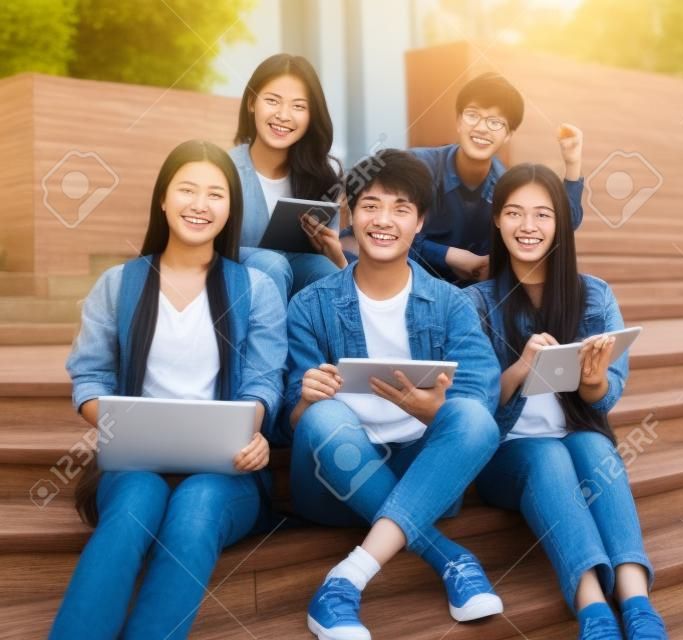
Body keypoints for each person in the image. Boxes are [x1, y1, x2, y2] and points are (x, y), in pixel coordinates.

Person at [51, 140, 288, 639]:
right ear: (163, 199)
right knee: (136, 498)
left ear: (230, 208)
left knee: (197, 506)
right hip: (134, 463)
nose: (200, 205)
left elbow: (263, 383)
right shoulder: (119, 285)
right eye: (187, 189)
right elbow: (90, 376)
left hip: (224, 475)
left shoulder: (256, 289)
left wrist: (255, 432)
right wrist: (121, 423)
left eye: (216, 194)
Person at [285, 148, 506, 640]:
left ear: (420, 222)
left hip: (422, 472)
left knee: (474, 421)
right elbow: (290, 420)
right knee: (323, 418)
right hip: (330, 481)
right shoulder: (309, 306)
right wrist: (304, 400)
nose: (383, 220)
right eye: (370, 205)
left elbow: (478, 393)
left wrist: (434, 412)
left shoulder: (451, 304)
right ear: (350, 214)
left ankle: (346, 579)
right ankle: (448, 555)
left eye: (401, 208)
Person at [467, 164, 667, 640]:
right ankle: (593, 609)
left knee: (596, 448)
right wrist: (520, 368)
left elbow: (608, 393)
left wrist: (592, 381)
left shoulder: (593, 295)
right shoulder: (473, 302)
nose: (528, 227)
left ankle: (637, 602)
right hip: (506, 453)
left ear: (560, 223)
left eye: (542, 214)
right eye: (514, 213)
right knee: (549, 454)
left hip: (576, 435)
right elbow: (471, 404)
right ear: (497, 221)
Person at [342, 72, 585, 286]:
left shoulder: (505, 184)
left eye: (495, 122)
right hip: (401, 282)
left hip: (469, 298)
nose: (481, 128)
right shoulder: (417, 166)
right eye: (472, 115)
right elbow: (369, 232)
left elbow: (561, 224)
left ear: (509, 135)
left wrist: (572, 163)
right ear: (458, 121)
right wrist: (451, 255)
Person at [231, 53, 347, 299]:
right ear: (252, 103)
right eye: (273, 101)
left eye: (298, 106)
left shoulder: (323, 174)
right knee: (271, 263)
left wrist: (333, 253)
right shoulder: (223, 169)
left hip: (296, 287)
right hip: (234, 285)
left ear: (311, 115)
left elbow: (326, 263)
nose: (284, 115)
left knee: (325, 271)